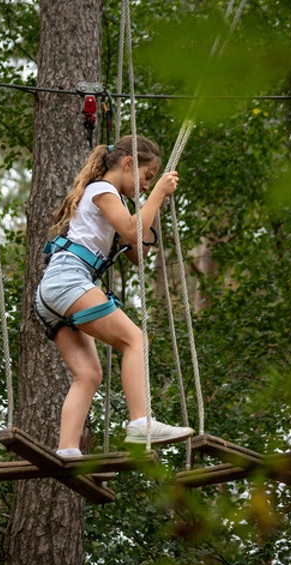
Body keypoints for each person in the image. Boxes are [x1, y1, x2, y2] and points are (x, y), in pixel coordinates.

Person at [34, 135, 194, 457]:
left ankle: (66, 449)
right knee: (134, 340)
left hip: (53, 292)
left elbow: (136, 253)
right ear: (129, 164)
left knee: (89, 374)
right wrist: (157, 195)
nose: (148, 185)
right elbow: (132, 229)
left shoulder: (115, 200)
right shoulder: (103, 190)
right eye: (147, 177)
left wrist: (153, 207)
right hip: (69, 280)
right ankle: (139, 423)